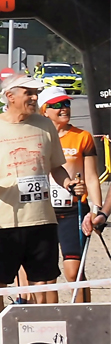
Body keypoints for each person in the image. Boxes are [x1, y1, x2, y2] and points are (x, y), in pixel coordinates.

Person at [0, 72, 72, 344]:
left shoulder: (45, 125)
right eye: (28, 93)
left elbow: (56, 167)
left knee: (43, 283)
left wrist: (68, 183)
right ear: (10, 96)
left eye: (36, 93)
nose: (34, 98)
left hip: (41, 218)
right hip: (1, 220)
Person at [40, 87, 105, 299]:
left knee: (74, 272)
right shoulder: (38, 136)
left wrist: (96, 210)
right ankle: (50, 322)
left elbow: (92, 176)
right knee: (45, 276)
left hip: (73, 211)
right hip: (43, 212)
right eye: (56, 105)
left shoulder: (82, 137)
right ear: (44, 110)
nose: (63, 109)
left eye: (66, 104)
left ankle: (82, 319)